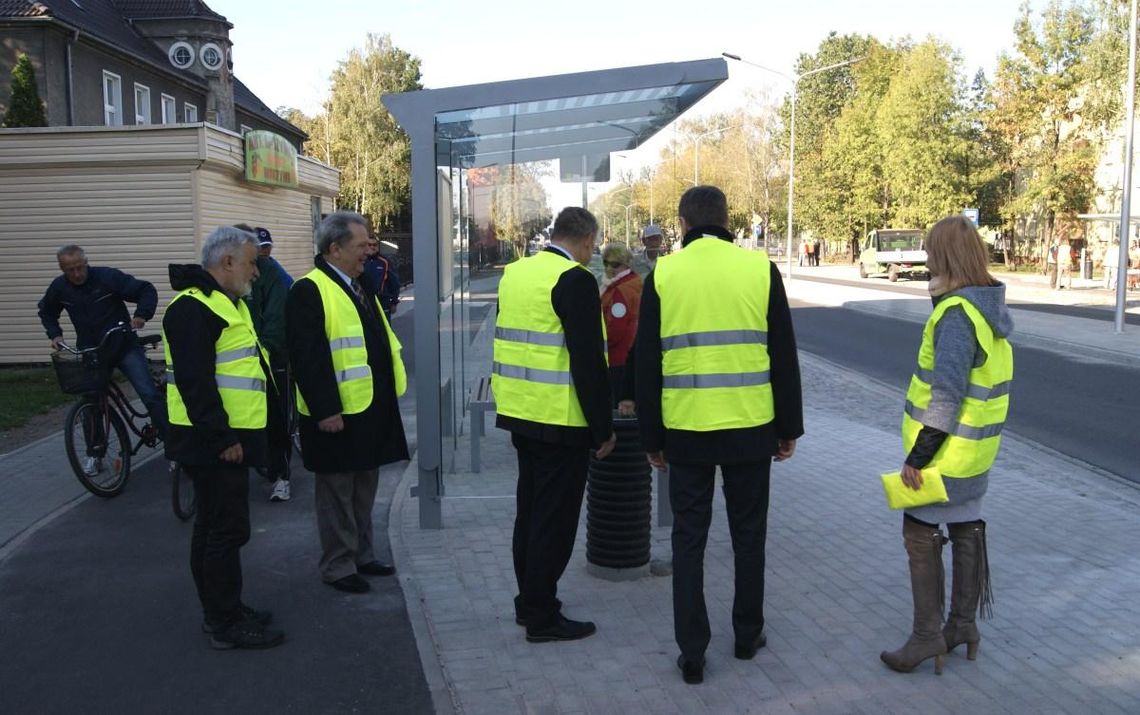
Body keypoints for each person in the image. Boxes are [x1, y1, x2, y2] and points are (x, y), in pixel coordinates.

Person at [634, 186, 803, 685]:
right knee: (750, 536)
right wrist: (788, 428)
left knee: (689, 541)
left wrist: (651, 438)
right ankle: (748, 635)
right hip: (751, 428)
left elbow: (647, 363)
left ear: (682, 223)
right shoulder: (759, 268)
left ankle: (692, 652)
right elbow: (783, 354)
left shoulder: (664, 273)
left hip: (686, 430)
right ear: (727, 221)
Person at [880, 215, 1013, 675]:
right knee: (965, 529)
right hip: (975, 457)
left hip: (944, 457)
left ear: (944, 257)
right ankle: (961, 628)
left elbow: (948, 394)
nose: (926, 258)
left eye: (932, 251)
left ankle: (926, 637)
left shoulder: (956, 316)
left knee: (919, 535)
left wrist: (918, 458)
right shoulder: (984, 312)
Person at [493, 206, 616, 643]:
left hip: (521, 413)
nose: (594, 252)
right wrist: (603, 429)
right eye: (594, 244)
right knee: (554, 522)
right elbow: (587, 362)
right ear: (584, 240)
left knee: (529, 513)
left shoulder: (518, 273)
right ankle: (542, 615)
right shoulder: (575, 280)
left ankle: (529, 602)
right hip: (561, 420)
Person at [162, 226, 284, 650]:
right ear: (228, 262)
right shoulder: (193, 309)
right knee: (226, 531)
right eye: (252, 262)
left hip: (227, 439)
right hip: (213, 443)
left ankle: (222, 608)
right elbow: (196, 383)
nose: (256, 271)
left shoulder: (226, 303)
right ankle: (224, 621)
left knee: (214, 527)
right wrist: (221, 438)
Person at [286, 211, 409, 594]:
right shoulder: (309, 290)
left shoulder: (361, 284)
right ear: (334, 249)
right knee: (337, 492)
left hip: (367, 408)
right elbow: (307, 358)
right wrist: (326, 410)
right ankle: (339, 566)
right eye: (361, 246)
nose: (368, 253)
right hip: (336, 414)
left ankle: (362, 554)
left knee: (362, 486)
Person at [38, 245, 167, 458]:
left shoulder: (107, 277)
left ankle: (174, 449)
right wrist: (55, 335)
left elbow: (145, 290)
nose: (77, 274)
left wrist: (141, 315)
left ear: (86, 262)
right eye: (71, 270)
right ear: (62, 269)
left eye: (80, 267)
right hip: (92, 351)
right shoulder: (59, 288)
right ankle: (95, 453)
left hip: (123, 345)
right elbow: (47, 311)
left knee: (148, 394)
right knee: (92, 403)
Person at [235, 224, 293, 502]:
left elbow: (276, 317)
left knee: (275, 418)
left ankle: (282, 476)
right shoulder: (227, 277)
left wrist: (266, 350)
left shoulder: (269, 273)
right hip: (238, 362)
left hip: (270, 356)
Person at [599, 243, 643, 406]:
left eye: (615, 264)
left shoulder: (620, 290)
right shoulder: (631, 284)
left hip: (617, 360)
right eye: (605, 263)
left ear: (626, 264)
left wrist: (597, 344)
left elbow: (615, 330)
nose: (609, 268)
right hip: (628, 358)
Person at [361, 235, 402, 320]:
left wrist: (394, 302)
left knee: (384, 329)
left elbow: (394, 282)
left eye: (375, 245)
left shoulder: (384, 262)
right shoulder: (361, 260)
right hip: (365, 301)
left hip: (383, 302)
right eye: (369, 245)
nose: (372, 247)